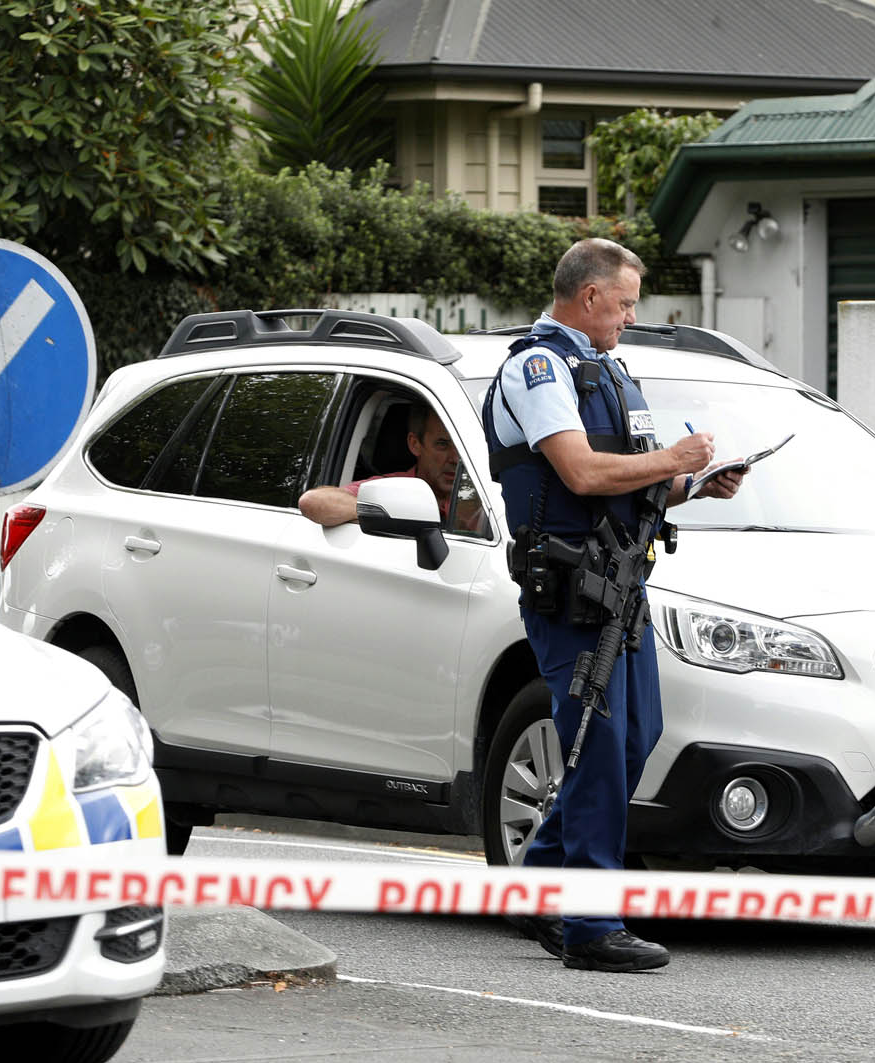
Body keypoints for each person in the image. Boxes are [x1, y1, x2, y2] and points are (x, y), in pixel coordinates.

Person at [484, 237, 741, 973]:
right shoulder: (538, 368)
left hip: (621, 584)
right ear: (589, 295)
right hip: (570, 589)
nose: (631, 317)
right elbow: (582, 473)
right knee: (596, 746)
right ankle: (593, 925)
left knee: (633, 739)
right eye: (624, 304)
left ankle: (539, 888)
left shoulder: (609, 370)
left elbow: (633, 478)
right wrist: (673, 461)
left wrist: (695, 483)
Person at [298, 403, 475, 529]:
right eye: (442, 444)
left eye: (463, 447)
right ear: (415, 444)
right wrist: (389, 512)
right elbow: (313, 501)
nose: (456, 459)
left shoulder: (483, 492)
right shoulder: (392, 488)